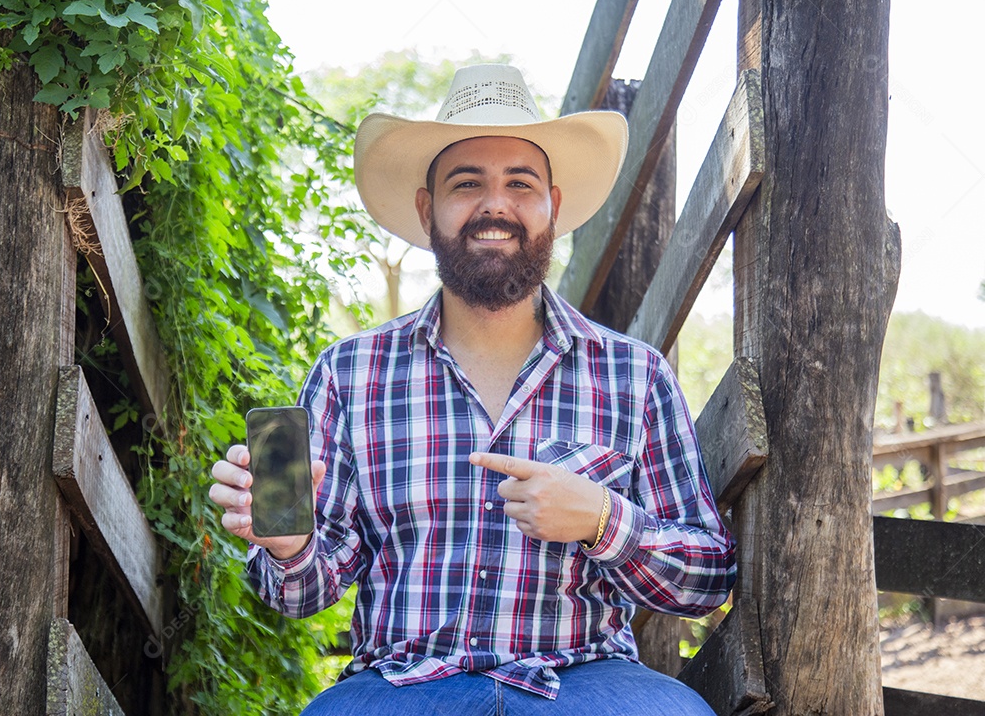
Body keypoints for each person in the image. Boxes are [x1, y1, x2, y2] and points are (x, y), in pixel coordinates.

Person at [210, 64, 735, 715]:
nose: (496, 204)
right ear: (428, 208)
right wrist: (289, 545)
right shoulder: (347, 374)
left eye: (520, 182)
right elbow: (298, 596)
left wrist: (603, 519)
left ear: (553, 207)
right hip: (400, 684)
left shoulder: (635, 376)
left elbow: (709, 578)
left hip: (587, 681)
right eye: (468, 184)